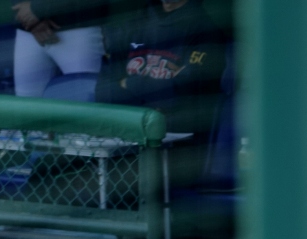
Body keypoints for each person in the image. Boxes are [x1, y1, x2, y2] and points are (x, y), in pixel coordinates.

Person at [95, 0, 226, 186]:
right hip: (126, 140)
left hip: (176, 148)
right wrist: (153, 96)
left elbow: (183, 91)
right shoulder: (133, 23)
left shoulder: (205, 29)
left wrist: (128, 83)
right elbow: (104, 92)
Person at [10, 0, 113, 98]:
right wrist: (30, 16)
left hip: (79, 24)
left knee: (85, 98)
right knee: (27, 101)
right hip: (29, 31)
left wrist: (36, 9)